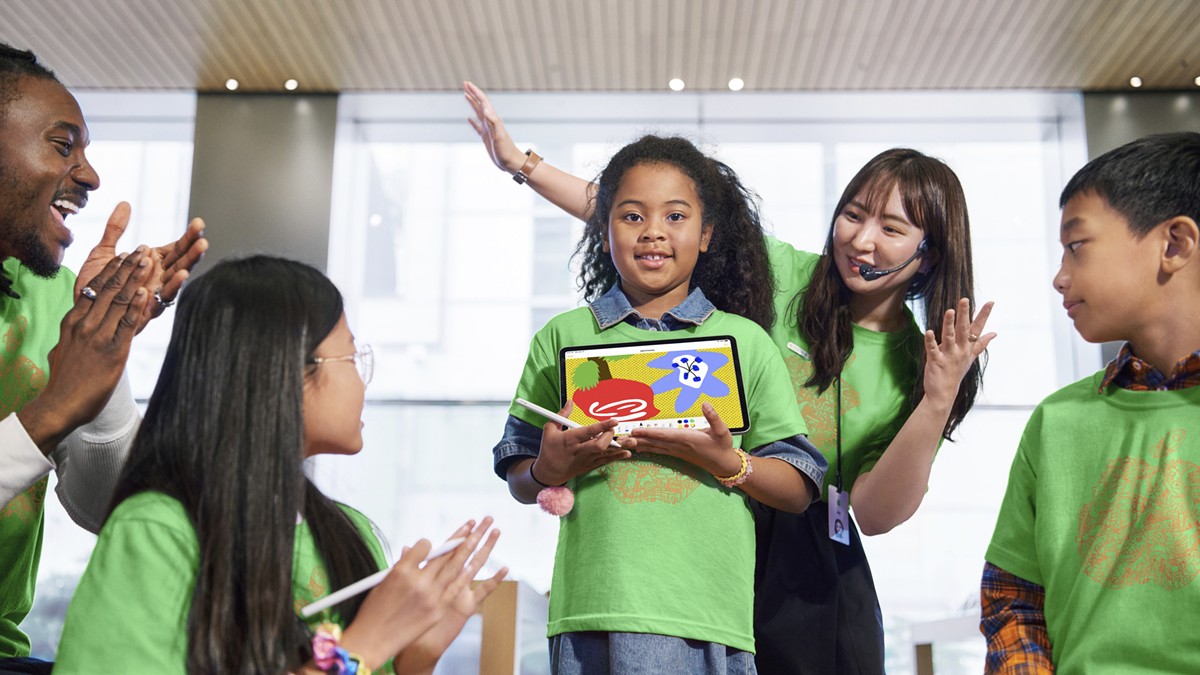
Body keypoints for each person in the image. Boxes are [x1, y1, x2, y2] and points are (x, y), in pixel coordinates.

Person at [465, 81, 993, 674]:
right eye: (852, 214)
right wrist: (522, 164)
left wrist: (936, 399)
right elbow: (654, 222)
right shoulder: (787, 273)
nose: (861, 240)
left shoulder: (926, 360)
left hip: (803, 543)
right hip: (702, 516)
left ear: (932, 251)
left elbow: (869, 512)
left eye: (892, 229)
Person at [52, 255, 507, 674]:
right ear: (284, 371)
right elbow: (356, 659)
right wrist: (366, 645)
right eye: (352, 356)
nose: (363, 379)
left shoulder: (349, 533)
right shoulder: (157, 531)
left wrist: (415, 657)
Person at [493, 134, 827, 674]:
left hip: (706, 618)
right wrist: (545, 469)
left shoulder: (745, 343)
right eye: (631, 216)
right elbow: (518, 476)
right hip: (588, 614)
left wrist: (729, 463)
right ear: (604, 232)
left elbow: (798, 486)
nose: (653, 231)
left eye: (676, 216)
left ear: (706, 234)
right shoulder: (561, 338)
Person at [0, 43, 206, 673]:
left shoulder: (53, 297)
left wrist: (103, 356)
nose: (89, 176)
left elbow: (106, 505)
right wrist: (53, 407)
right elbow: (48, 421)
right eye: (64, 146)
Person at [981, 132, 1200, 674]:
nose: (1059, 277)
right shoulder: (1055, 421)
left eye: (1076, 246)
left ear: (1174, 244)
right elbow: (1013, 598)